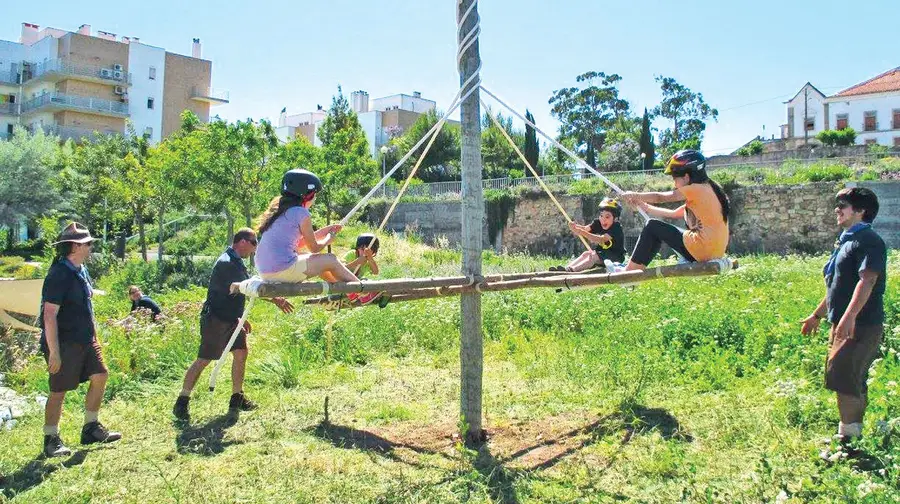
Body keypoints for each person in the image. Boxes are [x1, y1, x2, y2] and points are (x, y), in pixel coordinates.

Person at [173, 228, 293, 420]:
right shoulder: (227, 263)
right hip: (217, 319)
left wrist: (241, 316)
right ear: (242, 241)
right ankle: (182, 401)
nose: (254, 249)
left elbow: (241, 289)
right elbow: (244, 288)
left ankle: (237, 397)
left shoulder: (236, 261)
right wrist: (275, 299)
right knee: (204, 359)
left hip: (231, 319)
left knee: (241, 353)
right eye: (254, 243)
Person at [801, 187, 886, 453]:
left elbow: (868, 280)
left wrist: (849, 319)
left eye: (844, 205)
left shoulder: (868, 240)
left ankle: (849, 443)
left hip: (859, 325)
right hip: (846, 324)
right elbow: (836, 286)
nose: (837, 209)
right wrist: (817, 315)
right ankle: (853, 435)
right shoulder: (847, 240)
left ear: (860, 211)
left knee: (845, 380)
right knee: (849, 379)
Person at [39, 222, 121, 458]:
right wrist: (54, 352)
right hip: (64, 343)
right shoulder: (59, 274)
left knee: (100, 375)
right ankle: (51, 439)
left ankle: (91, 428)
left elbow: (86, 304)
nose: (91, 247)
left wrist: (94, 334)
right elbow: (49, 314)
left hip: (86, 339)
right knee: (59, 391)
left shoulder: (80, 270)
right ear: (75, 246)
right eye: (87, 244)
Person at [254, 168, 368, 301]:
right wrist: (328, 239)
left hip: (266, 272)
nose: (315, 198)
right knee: (330, 259)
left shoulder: (281, 211)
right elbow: (314, 248)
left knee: (320, 263)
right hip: (282, 270)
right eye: (314, 194)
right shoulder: (301, 212)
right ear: (306, 194)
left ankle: (346, 291)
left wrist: (325, 230)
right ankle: (363, 292)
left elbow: (300, 243)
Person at [620, 150, 730, 270]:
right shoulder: (709, 191)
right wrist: (645, 207)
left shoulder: (695, 189)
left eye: (675, 179)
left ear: (686, 177)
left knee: (652, 225)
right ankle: (635, 269)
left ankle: (630, 271)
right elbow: (673, 214)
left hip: (701, 250)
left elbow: (660, 197)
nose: (674, 184)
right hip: (713, 252)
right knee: (655, 227)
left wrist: (635, 194)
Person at [551, 197, 626, 272]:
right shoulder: (598, 223)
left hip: (615, 257)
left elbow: (601, 239)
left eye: (607, 216)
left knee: (593, 256)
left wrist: (580, 232)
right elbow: (585, 229)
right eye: (601, 215)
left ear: (615, 219)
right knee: (586, 254)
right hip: (602, 254)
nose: (603, 219)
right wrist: (574, 227)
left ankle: (572, 270)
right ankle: (566, 268)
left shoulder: (616, 228)